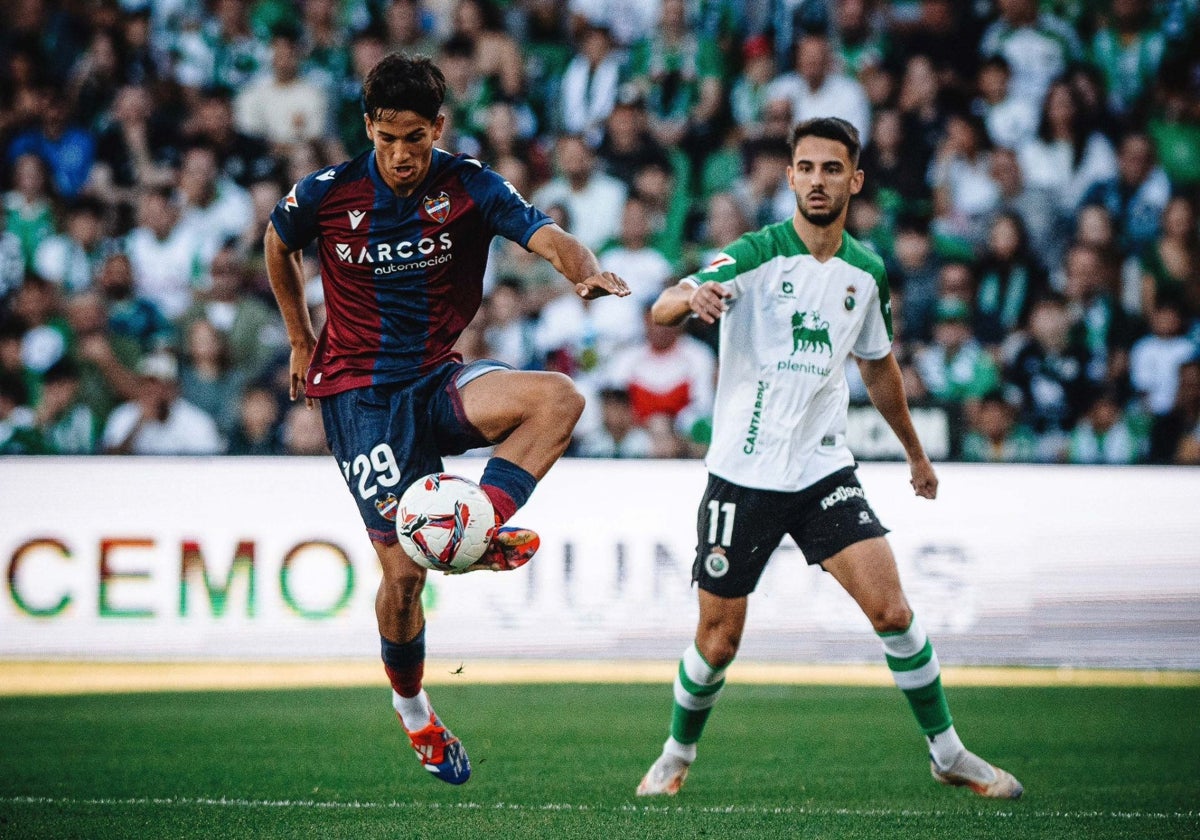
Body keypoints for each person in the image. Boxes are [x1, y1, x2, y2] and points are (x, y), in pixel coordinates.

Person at [263, 52, 629, 787]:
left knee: (559, 399)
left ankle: (478, 526)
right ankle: (417, 716)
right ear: (369, 127)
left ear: (439, 128)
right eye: (387, 139)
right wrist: (302, 338)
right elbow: (277, 243)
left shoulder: (467, 185)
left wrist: (579, 269)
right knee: (402, 579)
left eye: (416, 140)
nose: (401, 157)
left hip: (435, 376)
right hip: (360, 397)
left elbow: (547, 234)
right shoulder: (328, 193)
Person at [635, 117, 1022, 800]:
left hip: (822, 471)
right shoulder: (754, 253)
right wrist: (690, 297)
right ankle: (675, 751)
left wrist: (916, 454)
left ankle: (949, 752)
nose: (818, 180)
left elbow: (879, 369)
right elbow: (664, 306)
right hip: (743, 477)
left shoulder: (866, 274)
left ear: (855, 180)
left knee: (894, 612)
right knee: (718, 641)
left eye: (832, 169)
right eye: (806, 168)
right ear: (789, 178)